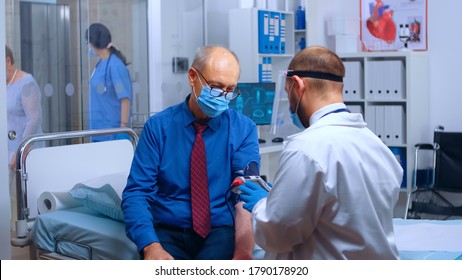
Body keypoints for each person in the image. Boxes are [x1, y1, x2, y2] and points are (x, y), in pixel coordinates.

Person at [239, 46, 403, 260]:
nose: (290, 104)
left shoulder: (305, 149)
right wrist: (281, 199)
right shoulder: (377, 146)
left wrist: (263, 205)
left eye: (288, 94)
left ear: (297, 85)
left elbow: (278, 235)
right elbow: (344, 210)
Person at [121, 45, 261, 260]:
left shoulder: (243, 129)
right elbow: (137, 193)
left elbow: (245, 193)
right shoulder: (159, 128)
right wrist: (150, 246)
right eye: (215, 87)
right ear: (193, 77)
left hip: (220, 229)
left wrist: (243, 251)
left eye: (230, 90)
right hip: (168, 230)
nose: (222, 96)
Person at [6, 45, 43, 225]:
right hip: (6, 147)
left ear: (8, 61)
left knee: (28, 199)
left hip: (25, 148)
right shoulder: (3, 83)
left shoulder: (27, 83)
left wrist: (20, 149)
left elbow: (34, 118)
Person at [85, 23, 132, 141]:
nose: (89, 46)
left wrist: (123, 130)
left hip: (112, 132)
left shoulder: (115, 66)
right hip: (97, 131)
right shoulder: (100, 63)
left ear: (94, 43)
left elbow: (125, 99)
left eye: (89, 42)